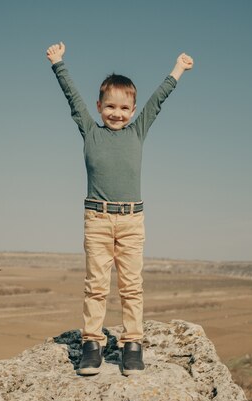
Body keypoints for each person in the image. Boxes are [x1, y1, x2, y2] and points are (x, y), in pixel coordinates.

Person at [46, 41, 193, 376]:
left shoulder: (137, 132)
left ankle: (132, 347)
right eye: (110, 106)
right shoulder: (90, 132)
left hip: (131, 221)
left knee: (131, 286)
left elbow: (158, 100)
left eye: (124, 108)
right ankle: (91, 346)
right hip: (96, 219)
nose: (117, 113)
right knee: (96, 285)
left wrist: (178, 69)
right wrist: (59, 64)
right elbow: (72, 98)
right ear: (99, 107)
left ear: (133, 109)